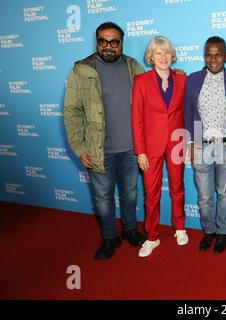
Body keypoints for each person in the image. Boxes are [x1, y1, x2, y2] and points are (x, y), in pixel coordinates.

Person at [64, 22, 146, 259]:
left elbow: (153, 90)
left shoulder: (133, 67)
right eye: (103, 41)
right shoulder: (82, 69)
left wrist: (176, 74)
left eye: (114, 41)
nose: (108, 46)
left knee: (130, 192)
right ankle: (109, 238)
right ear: (97, 42)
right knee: (103, 197)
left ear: (121, 43)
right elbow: (71, 111)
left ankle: (130, 230)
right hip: (99, 150)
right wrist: (79, 147)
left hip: (132, 148)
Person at [132, 36, 188, 257]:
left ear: (172, 56)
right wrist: (140, 151)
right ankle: (152, 236)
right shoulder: (141, 81)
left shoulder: (183, 79)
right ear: (150, 56)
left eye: (166, 53)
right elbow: (136, 118)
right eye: (158, 53)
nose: (163, 57)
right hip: (150, 145)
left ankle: (180, 227)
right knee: (152, 193)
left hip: (177, 141)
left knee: (177, 188)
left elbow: (188, 110)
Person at [184, 36, 226, 254]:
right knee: (204, 196)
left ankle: (223, 232)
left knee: (224, 192)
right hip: (201, 145)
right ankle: (208, 231)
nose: (213, 59)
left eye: (218, 54)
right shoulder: (193, 79)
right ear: (204, 56)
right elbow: (188, 112)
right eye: (209, 54)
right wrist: (191, 142)